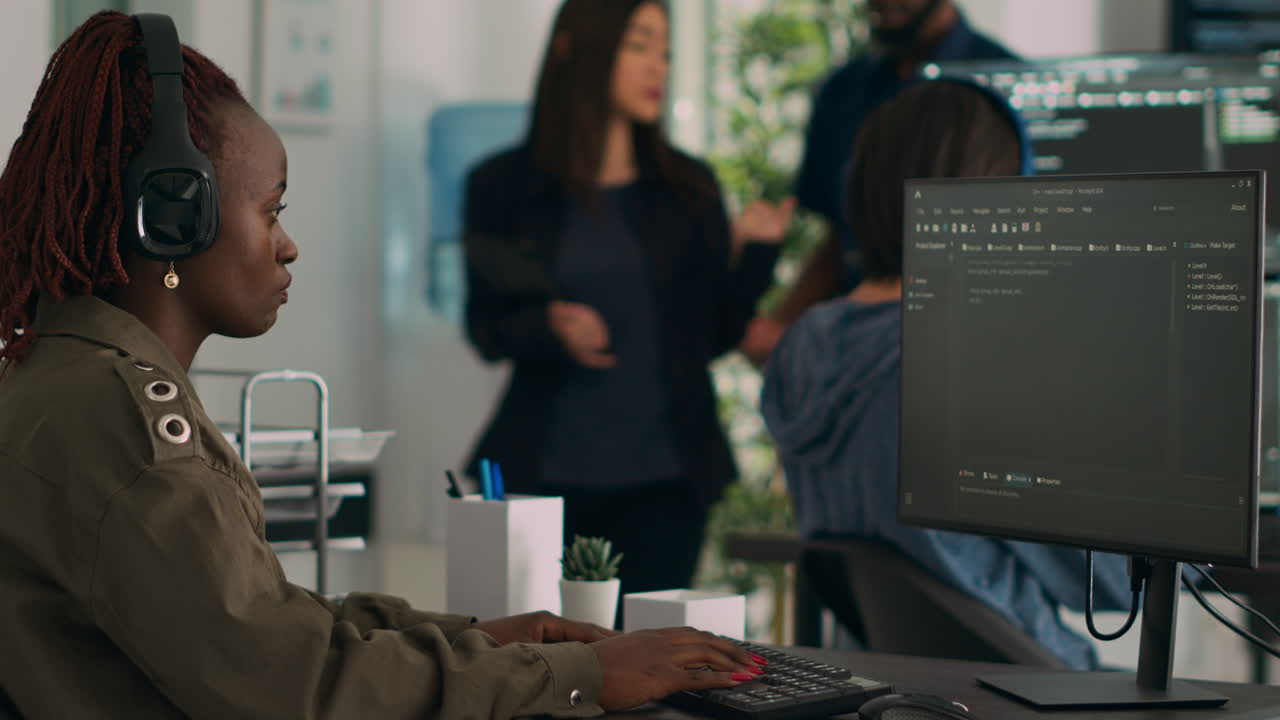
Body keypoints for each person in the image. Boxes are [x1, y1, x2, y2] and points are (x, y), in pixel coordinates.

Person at [0, 11, 765, 719]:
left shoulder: (69, 380)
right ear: (177, 217)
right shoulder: (126, 424)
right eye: (271, 210)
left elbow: (265, 628)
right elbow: (296, 682)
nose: (288, 245)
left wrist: (482, 639)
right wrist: (577, 676)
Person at [759, 79, 1131, 671]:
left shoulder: (802, 343)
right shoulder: (966, 358)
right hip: (1028, 683)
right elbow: (1113, 586)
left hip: (888, 682)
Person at [463, 0, 790, 601]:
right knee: (539, 648)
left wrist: (758, 259)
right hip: (542, 479)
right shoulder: (500, 186)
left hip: (668, 483)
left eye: (665, 52)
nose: (658, 67)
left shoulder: (689, 189)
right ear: (577, 46)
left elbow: (714, 334)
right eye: (639, 45)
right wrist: (549, 325)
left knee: (648, 650)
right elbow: (485, 328)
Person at [739, 0, 1017, 365]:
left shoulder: (1012, 86)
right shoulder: (843, 90)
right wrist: (784, 328)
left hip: (974, 350)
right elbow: (839, 240)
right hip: (855, 348)